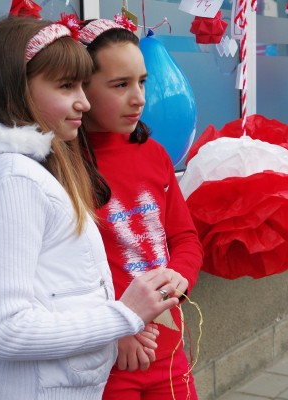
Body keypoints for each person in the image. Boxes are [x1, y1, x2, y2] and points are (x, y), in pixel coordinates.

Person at [0, 16, 180, 400]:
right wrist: (124, 316)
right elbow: (3, 331)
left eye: (82, 84)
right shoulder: (15, 182)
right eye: (65, 86)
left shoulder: (35, 171)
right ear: (15, 92)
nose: (84, 101)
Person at [77, 17, 203, 400]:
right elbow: (68, 271)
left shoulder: (155, 154)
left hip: (170, 355)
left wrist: (180, 278)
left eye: (142, 82)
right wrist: (119, 327)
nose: (139, 98)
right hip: (108, 360)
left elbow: (184, 238)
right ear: (81, 89)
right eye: (120, 85)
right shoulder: (67, 164)